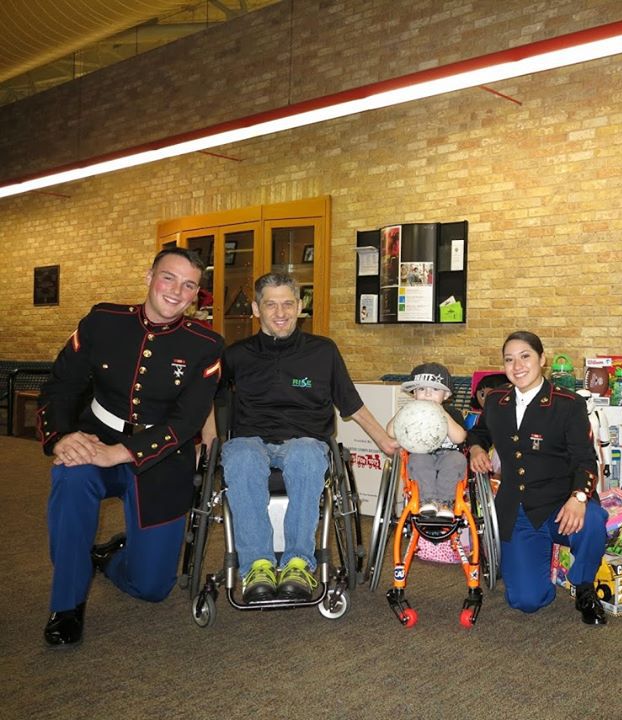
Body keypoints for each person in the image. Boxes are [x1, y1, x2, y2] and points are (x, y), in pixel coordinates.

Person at [38, 248, 224, 648]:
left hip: (163, 458)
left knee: (152, 587)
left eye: (188, 285)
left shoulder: (205, 345)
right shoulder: (103, 320)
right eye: (168, 278)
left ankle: (108, 558)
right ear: (149, 276)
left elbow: (186, 422)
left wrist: (119, 453)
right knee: (72, 476)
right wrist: (62, 437)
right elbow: (61, 385)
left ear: (196, 294)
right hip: (96, 437)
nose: (176, 291)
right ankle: (66, 605)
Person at [214, 272, 398, 604]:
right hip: (250, 439)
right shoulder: (236, 354)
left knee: (306, 455)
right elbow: (213, 402)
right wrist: (207, 446)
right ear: (256, 309)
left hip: (306, 440)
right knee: (239, 456)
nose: (280, 313)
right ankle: (257, 564)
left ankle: (298, 563)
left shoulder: (323, 351)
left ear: (300, 306)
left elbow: (350, 402)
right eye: (271, 304)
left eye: (288, 304)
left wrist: (385, 442)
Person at [467, 331, 609, 625]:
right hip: (519, 509)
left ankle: (583, 586)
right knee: (525, 601)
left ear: (542, 360)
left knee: (594, 521)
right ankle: (539, 568)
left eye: (525, 356)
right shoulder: (496, 401)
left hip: (562, 504)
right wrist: (476, 448)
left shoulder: (568, 404)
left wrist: (578, 498)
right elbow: (479, 432)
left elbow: (585, 459)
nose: (517, 365)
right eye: (509, 359)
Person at [387, 363, 467, 519]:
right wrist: (404, 412)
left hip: (448, 457)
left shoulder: (452, 412)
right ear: (414, 394)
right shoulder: (410, 412)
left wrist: (442, 413)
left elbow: (459, 438)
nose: (428, 394)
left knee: (457, 459)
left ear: (446, 395)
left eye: (435, 389)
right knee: (417, 458)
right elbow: (390, 432)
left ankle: (445, 503)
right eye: (422, 389)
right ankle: (427, 501)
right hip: (421, 456)